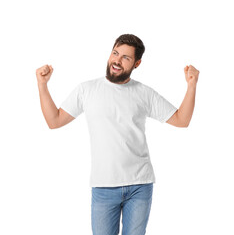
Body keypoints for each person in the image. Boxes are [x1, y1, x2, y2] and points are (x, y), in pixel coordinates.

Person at [36, 34, 199, 235]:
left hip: (139, 186)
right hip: (103, 187)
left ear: (137, 63)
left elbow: (182, 120)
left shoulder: (143, 93)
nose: (117, 61)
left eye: (126, 58)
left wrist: (191, 85)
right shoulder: (87, 90)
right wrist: (42, 85)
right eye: (115, 53)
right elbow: (55, 121)